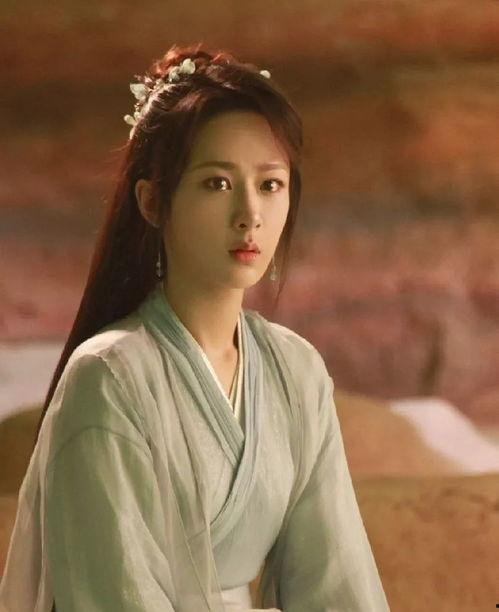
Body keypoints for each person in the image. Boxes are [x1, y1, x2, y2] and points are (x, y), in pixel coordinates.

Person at [0, 42, 390, 611]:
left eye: (270, 185)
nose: (250, 215)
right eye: (217, 183)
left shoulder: (295, 372)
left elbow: (338, 583)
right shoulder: (109, 379)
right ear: (153, 202)